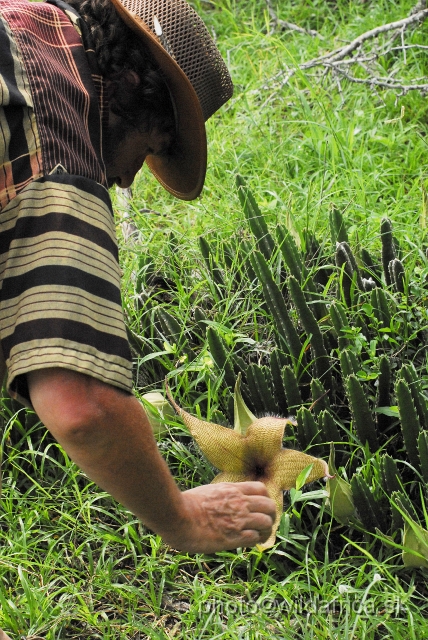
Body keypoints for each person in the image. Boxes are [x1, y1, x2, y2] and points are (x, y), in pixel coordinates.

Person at [0, 0, 276, 558]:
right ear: (129, 84)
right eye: (147, 149)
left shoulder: (20, 30)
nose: (125, 180)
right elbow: (82, 405)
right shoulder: (56, 133)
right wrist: (179, 518)